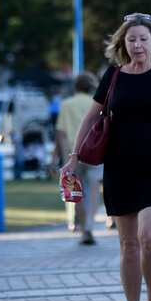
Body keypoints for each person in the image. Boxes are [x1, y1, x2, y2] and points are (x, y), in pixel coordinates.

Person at [61, 14, 151, 301]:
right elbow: (90, 118)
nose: (138, 45)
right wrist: (73, 158)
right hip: (118, 167)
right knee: (127, 244)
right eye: (131, 40)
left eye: (143, 39)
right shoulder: (113, 76)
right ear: (123, 44)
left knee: (149, 237)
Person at [55, 72, 103, 245]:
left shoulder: (66, 104)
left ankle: (83, 229)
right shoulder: (97, 102)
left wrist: (60, 155)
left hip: (72, 154)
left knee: (77, 193)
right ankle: (90, 225)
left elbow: (60, 132)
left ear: (75, 86)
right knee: (93, 190)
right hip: (94, 152)